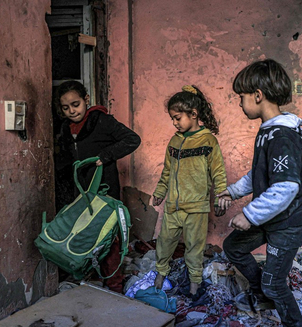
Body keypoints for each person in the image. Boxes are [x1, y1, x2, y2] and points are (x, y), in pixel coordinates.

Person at [216, 59, 302, 327]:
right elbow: (260, 174)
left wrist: (248, 215)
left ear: (258, 95)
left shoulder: (282, 136)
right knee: (233, 246)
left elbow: (286, 188)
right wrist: (231, 192)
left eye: (242, 97)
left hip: (289, 220)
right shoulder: (268, 131)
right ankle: (263, 296)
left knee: (275, 281)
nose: (240, 104)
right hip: (273, 214)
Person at [54, 81, 141, 292]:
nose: (71, 111)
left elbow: (132, 139)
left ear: (86, 100)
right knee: (85, 234)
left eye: (75, 104)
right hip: (81, 193)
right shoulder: (66, 128)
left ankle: (114, 284)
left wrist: (105, 156)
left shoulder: (101, 120)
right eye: (65, 108)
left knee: (109, 236)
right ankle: (90, 280)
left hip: (104, 190)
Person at [152, 85, 230, 297]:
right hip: (173, 207)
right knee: (164, 243)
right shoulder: (175, 141)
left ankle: (195, 285)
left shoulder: (208, 141)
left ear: (193, 114)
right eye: (172, 119)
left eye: (177, 118)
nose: (175, 123)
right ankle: (159, 278)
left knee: (194, 249)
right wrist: (160, 191)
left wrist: (221, 196)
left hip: (196, 208)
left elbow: (218, 172)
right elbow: (167, 171)